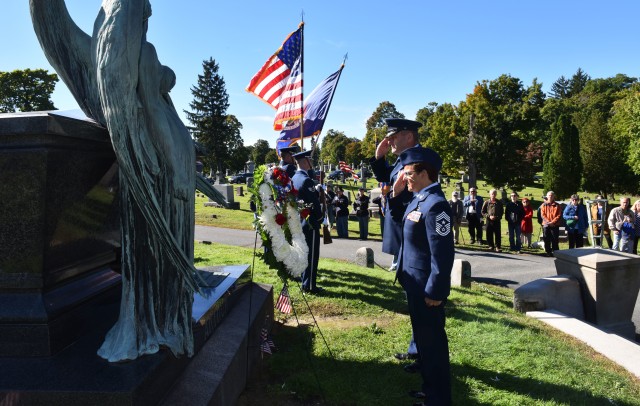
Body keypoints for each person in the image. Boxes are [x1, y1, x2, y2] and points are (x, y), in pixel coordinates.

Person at [32, 0, 204, 361]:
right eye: (145, 9)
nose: (150, 14)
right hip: (164, 161)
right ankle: (158, 318)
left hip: (169, 161)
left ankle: (166, 314)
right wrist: (162, 166)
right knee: (159, 253)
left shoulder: (118, 49)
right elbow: (151, 115)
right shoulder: (131, 52)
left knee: (164, 255)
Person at [394, 146, 454, 405]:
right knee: (424, 342)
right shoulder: (419, 199)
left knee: (433, 346)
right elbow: (398, 219)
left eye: (407, 173)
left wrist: (436, 291)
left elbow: (442, 254)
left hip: (427, 289)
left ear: (424, 173)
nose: (404, 177)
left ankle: (438, 398)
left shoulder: (437, 205)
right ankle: (430, 390)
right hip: (414, 284)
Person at [368, 118, 421, 365]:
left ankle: (421, 351)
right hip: (401, 232)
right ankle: (416, 348)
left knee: (418, 296)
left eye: (394, 136)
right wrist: (378, 159)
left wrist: (394, 196)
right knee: (412, 295)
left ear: (409, 136)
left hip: (411, 234)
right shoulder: (403, 159)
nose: (389, 140)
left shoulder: (417, 160)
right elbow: (388, 181)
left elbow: (406, 198)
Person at [292, 150, 324, 293]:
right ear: (305, 161)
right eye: (310, 160)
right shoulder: (306, 180)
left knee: (303, 254)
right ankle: (309, 286)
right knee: (311, 256)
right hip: (309, 223)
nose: (312, 162)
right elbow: (314, 204)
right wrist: (320, 218)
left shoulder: (294, 178)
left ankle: (305, 282)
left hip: (298, 222)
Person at [540, 191, 562, 256]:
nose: (550, 196)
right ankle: (548, 252)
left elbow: (559, 215)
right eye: (549, 195)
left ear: (554, 196)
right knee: (546, 238)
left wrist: (552, 222)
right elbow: (542, 214)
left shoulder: (557, 205)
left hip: (555, 225)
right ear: (547, 196)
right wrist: (548, 222)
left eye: (552, 195)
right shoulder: (543, 205)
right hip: (546, 224)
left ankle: (555, 252)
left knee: (555, 239)